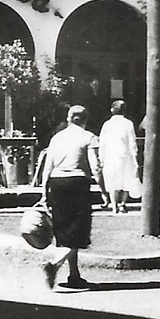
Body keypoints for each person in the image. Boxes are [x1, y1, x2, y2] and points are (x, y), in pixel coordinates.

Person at [34, 105, 103, 290]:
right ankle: (54, 265)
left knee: (64, 232)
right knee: (78, 231)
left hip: (56, 183)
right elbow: (95, 167)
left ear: (69, 118)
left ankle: (74, 275)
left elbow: (47, 167)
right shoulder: (89, 137)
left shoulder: (57, 138)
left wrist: (43, 192)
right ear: (85, 119)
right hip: (77, 183)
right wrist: (103, 189)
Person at [98, 100, 141, 214]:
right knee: (126, 179)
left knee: (112, 179)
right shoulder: (128, 123)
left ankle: (113, 204)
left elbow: (102, 142)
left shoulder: (107, 124)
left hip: (110, 155)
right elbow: (132, 142)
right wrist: (135, 156)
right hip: (125, 154)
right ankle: (122, 203)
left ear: (112, 110)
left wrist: (101, 158)